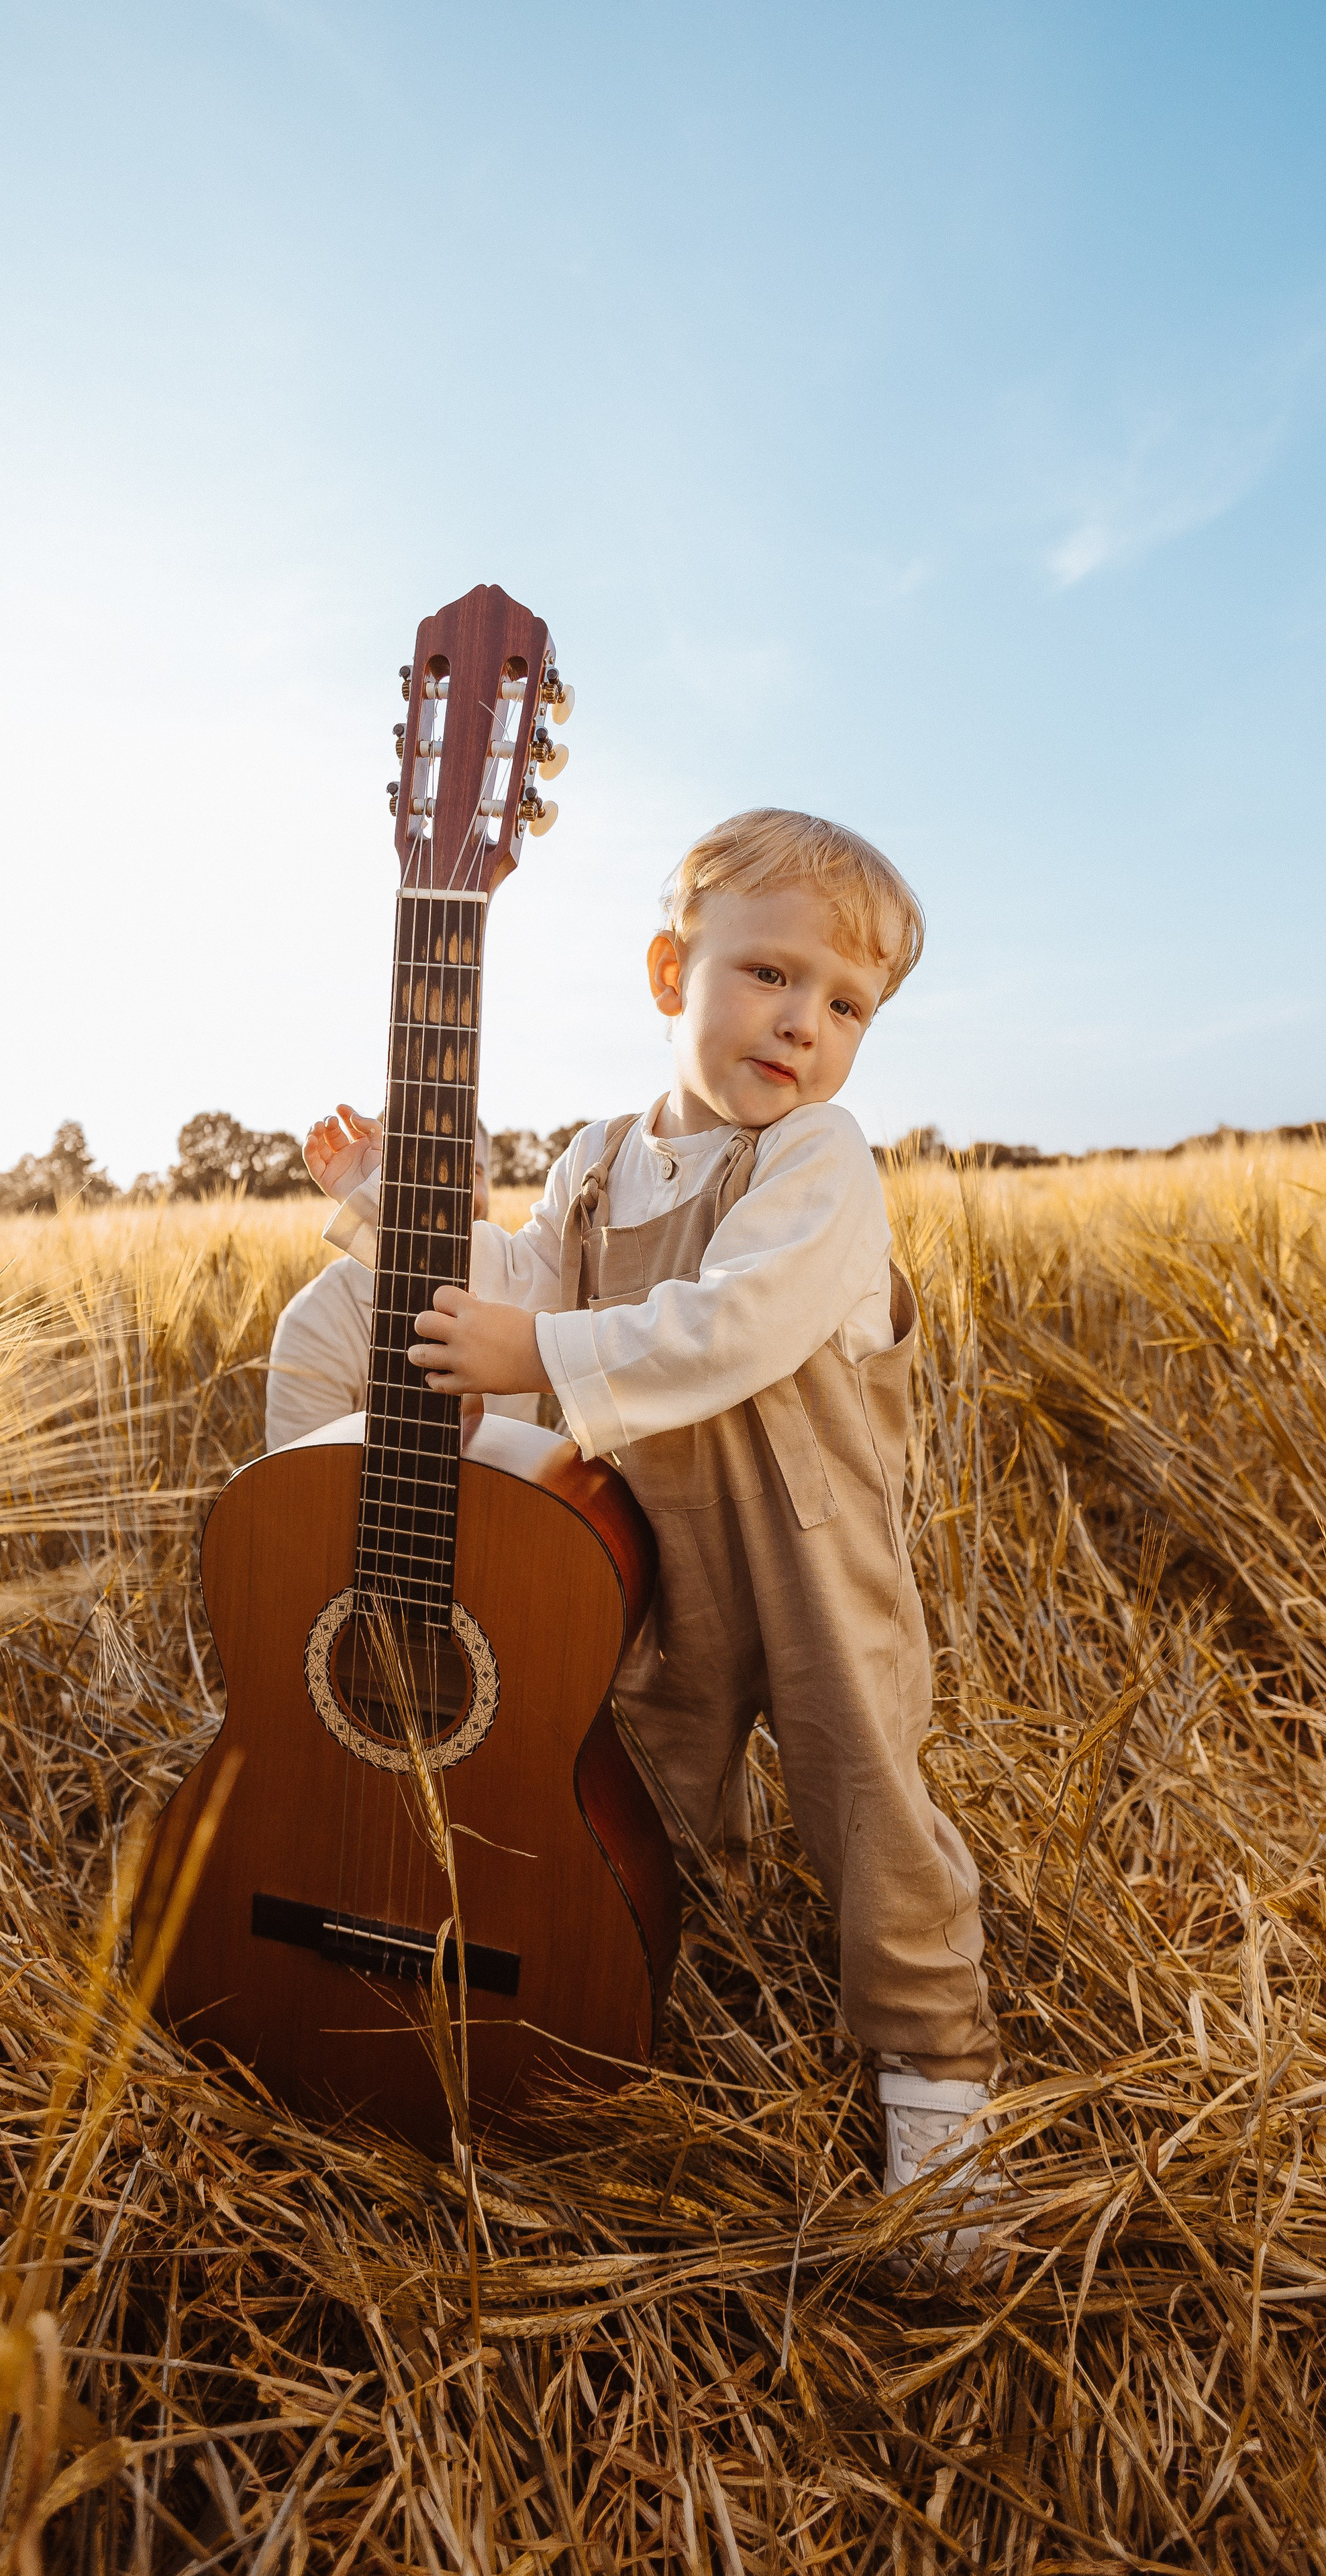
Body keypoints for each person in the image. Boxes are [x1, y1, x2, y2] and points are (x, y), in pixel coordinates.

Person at [295, 810, 1001, 2264]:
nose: (802, 1024)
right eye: (769, 975)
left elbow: (726, 1323)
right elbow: (510, 1286)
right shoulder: (599, 1161)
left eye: (845, 1004)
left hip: (803, 1543)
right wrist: (392, 1213)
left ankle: (934, 2085)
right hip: (636, 1527)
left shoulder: (818, 1163)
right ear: (672, 972)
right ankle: (656, 1967)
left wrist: (534, 1348)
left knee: (862, 1788)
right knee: (630, 1780)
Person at [265, 1124, 546, 1450]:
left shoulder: (527, 1297)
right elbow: (304, 1486)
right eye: (428, 1165)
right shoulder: (316, 1320)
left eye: (474, 1170)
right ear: (383, 1182)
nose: (455, 1187)